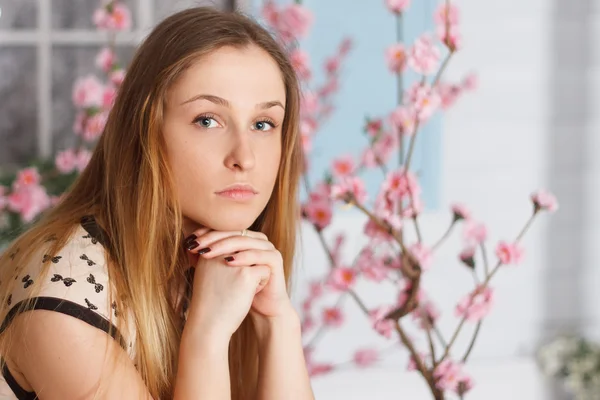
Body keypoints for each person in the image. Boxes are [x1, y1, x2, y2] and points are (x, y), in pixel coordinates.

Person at [0, 6, 313, 400]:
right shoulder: (63, 303)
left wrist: (278, 325)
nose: (245, 157)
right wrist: (207, 337)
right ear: (144, 128)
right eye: (207, 120)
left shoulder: (210, 270)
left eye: (263, 124)